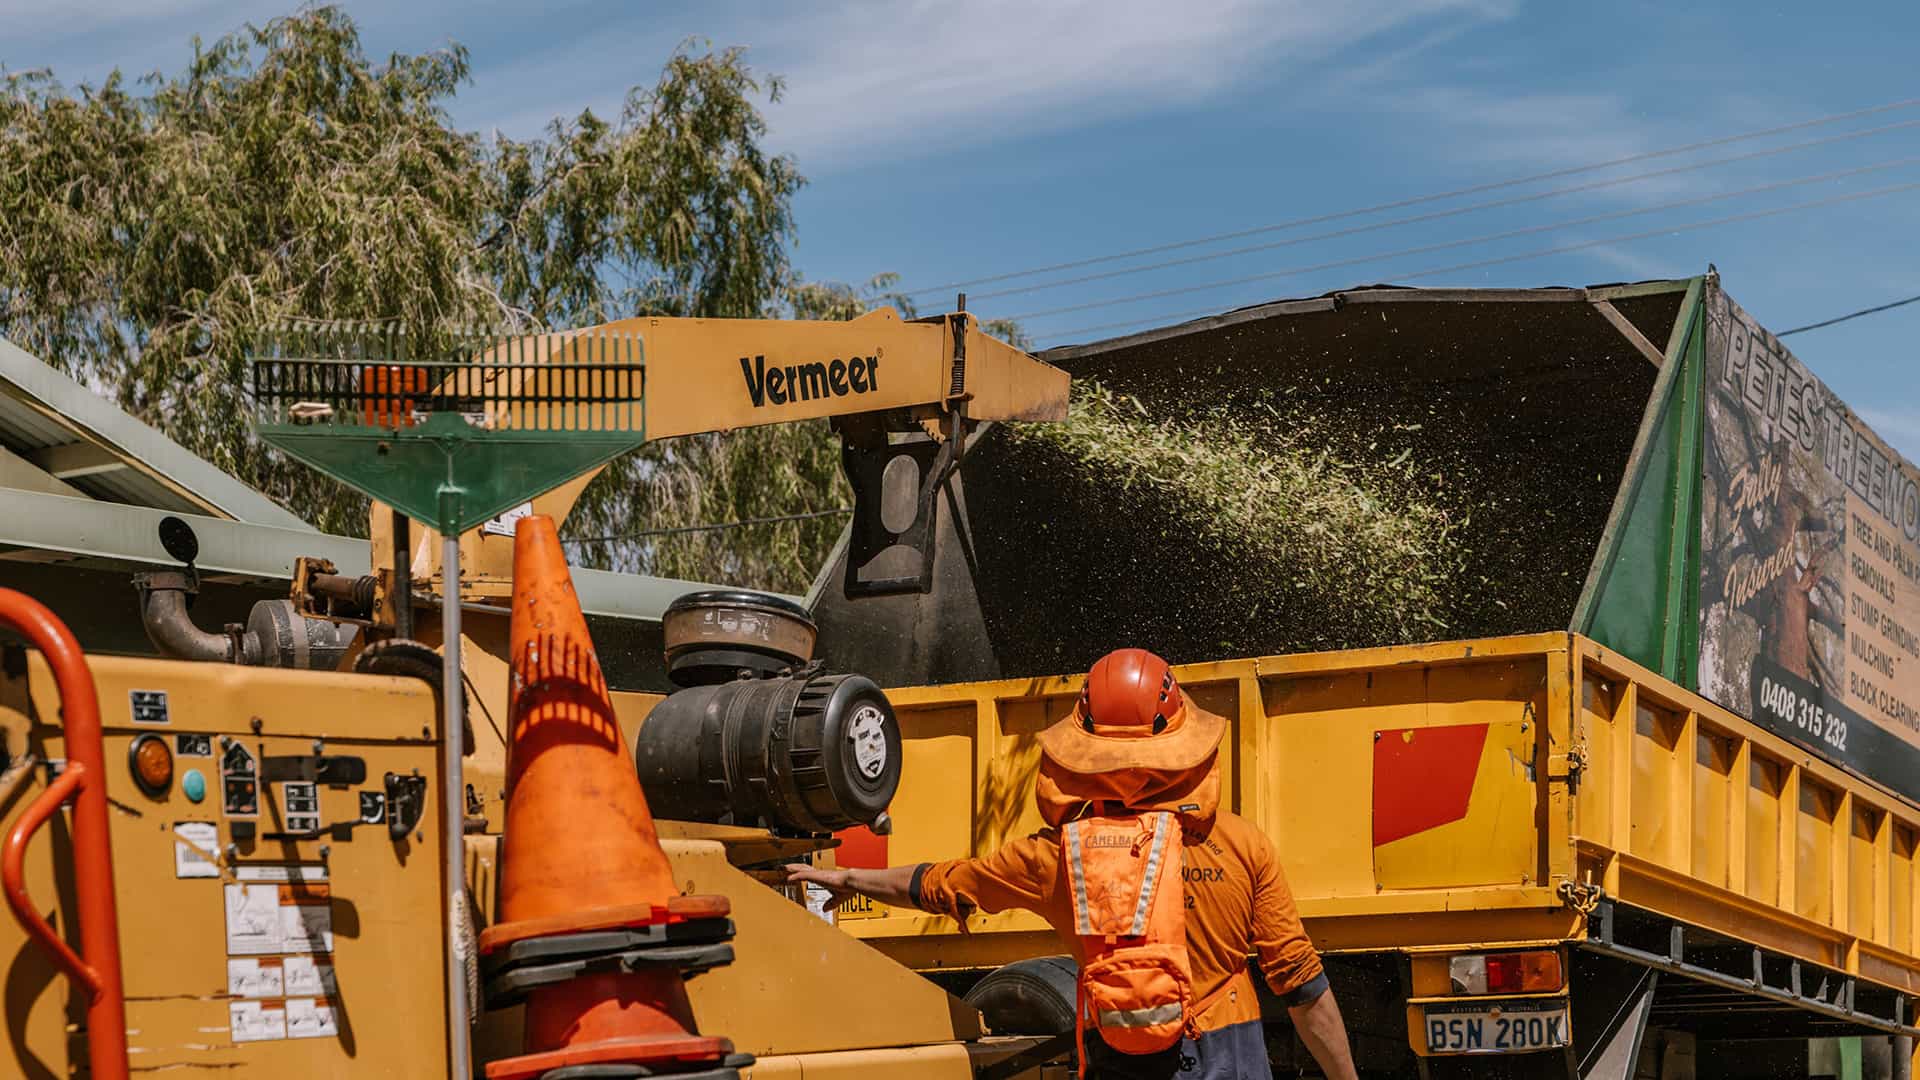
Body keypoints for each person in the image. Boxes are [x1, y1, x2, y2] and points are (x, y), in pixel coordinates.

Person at [788, 648, 1360, 1080]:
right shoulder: (1239, 844)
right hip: (1230, 1057)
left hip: (1121, 1058)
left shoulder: (1055, 856)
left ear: (1085, 747)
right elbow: (1302, 987)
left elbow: (941, 884)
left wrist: (844, 877)